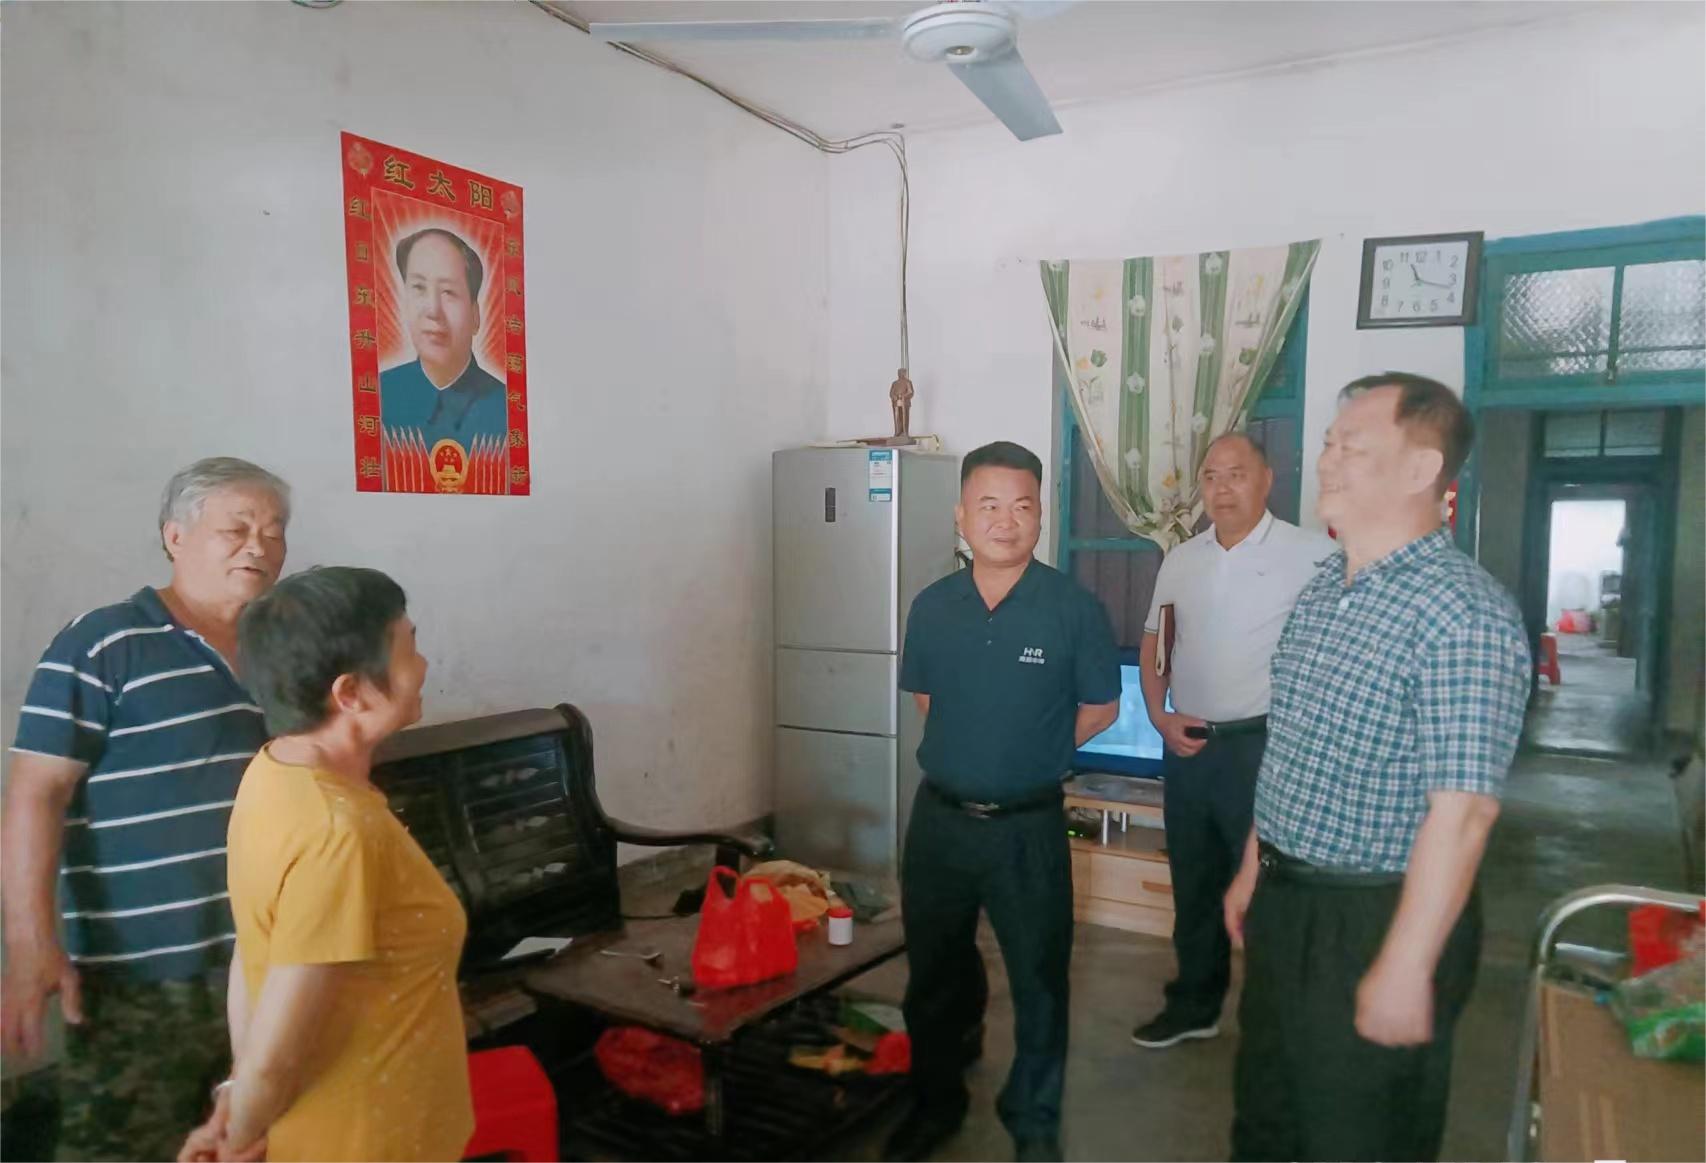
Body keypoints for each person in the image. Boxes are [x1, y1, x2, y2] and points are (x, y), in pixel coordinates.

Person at [1224, 374, 1530, 1162]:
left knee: (1357, 1137)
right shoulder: (1325, 587)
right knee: (1266, 1122)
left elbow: (1463, 813)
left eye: (1351, 446)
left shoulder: (1463, 614)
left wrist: (1406, 963)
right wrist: (1255, 866)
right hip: (1288, 902)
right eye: (1329, 442)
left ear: (1422, 468)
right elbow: (1294, 746)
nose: (1326, 459)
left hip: (1378, 913)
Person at [1, 457, 290, 1161]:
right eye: (237, 529)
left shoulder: (284, 654)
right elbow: (36, 792)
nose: (259, 546)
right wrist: (31, 945)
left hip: (266, 965)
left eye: (275, 530)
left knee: (251, 1145)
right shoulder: (104, 642)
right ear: (175, 536)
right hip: (140, 974)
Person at [178, 566, 471, 1162]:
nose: (423, 666)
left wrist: (236, 1098)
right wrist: (240, 1138)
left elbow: (253, 955)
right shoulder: (337, 833)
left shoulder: (272, 775)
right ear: (351, 694)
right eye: (409, 648)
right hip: (366, 1142)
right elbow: (277, 1052)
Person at [890, 441, 1121, 1163]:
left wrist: (1031, 751)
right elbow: (929, 701)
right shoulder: (933, 606)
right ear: (961, 516)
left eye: (1022, 505)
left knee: (1040, 981)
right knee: (934, 977)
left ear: (1040, 515)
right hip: (940, 825)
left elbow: (1101, 708)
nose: (1005, 520)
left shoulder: (1073, 608)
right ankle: (935, 1102)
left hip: (1028, 830)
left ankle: (1034, 1119)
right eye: (988, 505)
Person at [1130, 433, 1333, 1050]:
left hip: (1265, 749)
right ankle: (1195, 1004)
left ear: (1266, 479)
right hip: (1189, 746)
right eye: (1211, 476)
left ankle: (1276, 1020)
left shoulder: (1314, 555)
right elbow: (1155, 641)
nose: (1222, 488)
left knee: (1272, 889)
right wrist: (1158, 716)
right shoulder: (1181, 559)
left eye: (1236, 474)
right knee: (1195, 884)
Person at [379, 227, 508, 453]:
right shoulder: (380, 393)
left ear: (475, 316)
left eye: (448, 292)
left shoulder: (506, 409)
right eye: (419, 287)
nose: (433, 310)